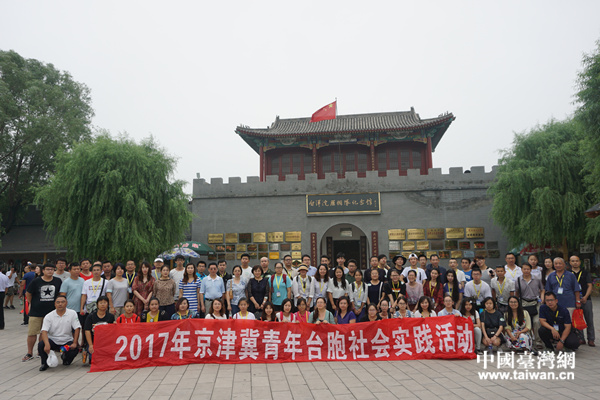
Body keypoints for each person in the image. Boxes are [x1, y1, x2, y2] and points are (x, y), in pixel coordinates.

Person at [23, 263, 63, 362]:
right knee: (32, 333)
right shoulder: (36, 281)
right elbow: (28, 293)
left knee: (45, 333)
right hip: (36, 312)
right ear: (43, 271)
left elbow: (59, 294)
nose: (50, 271)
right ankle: (29, 352)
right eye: (48, 269)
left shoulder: (58, 281)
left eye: (52, 269)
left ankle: (40, 351)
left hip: (51, 312)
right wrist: (33, 303)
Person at [37, 295, 80, 371]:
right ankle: (44, 363)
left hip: (67, 340)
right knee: (41, 345)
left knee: (75, 348)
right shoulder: (49, 316)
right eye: (58, 302)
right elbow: (44, 331)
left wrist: (75, 342)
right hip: (53, 340)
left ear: (66, 303)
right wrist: (47, 344)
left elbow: (77, 328)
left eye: (63, 302)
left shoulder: (72, 313)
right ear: (55, 304)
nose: (60, 304)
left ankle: (66, 359)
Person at [515, 262, 545, 349]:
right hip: (524, 303)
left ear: (531, 270)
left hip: (535, 303)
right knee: (526, 323)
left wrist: (542, 297)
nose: (526, 271)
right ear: (521, 270)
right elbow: (516, 293)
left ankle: (538, 342)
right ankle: (527, 341)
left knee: (536, 322)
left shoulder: (537, 279)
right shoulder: (518, 280)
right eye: (524, 269)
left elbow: (542, 289)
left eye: (528, 269)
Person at [569, 254, 594, 346]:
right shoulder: (568, 273)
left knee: (589, 319)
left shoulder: (585, 272)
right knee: (577, 318)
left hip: (586, 299)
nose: (575, 263)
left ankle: (591, 339)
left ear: (580, 262)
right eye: (573, 261)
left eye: (577, 261)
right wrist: (576, 299)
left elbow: (590, 286)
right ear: (570, 262)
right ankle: (581, 338)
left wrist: (585, 297)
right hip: (574, 300)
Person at [83, 295, 115, 364]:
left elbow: (113, 332)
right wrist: (90, 345)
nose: (103, 305)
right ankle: (87, 352)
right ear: (97, 305)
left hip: (106, 343)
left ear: (108, 304)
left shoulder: (111, 317)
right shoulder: (91, 316)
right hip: (94, 342)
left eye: (105, 303)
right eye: (101, 303)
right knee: (93, 359)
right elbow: (87, 331)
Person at [59, 262, 85, 346]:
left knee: (82, 327)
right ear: (69, 271)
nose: (77, 271)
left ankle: (82, 343)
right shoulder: (66, 282)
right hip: (70, 309)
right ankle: (74, 343)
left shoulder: (82, 281)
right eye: (74, 269)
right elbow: (62, 296)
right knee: (72, 328)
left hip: (81, 308)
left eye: (78, 269)